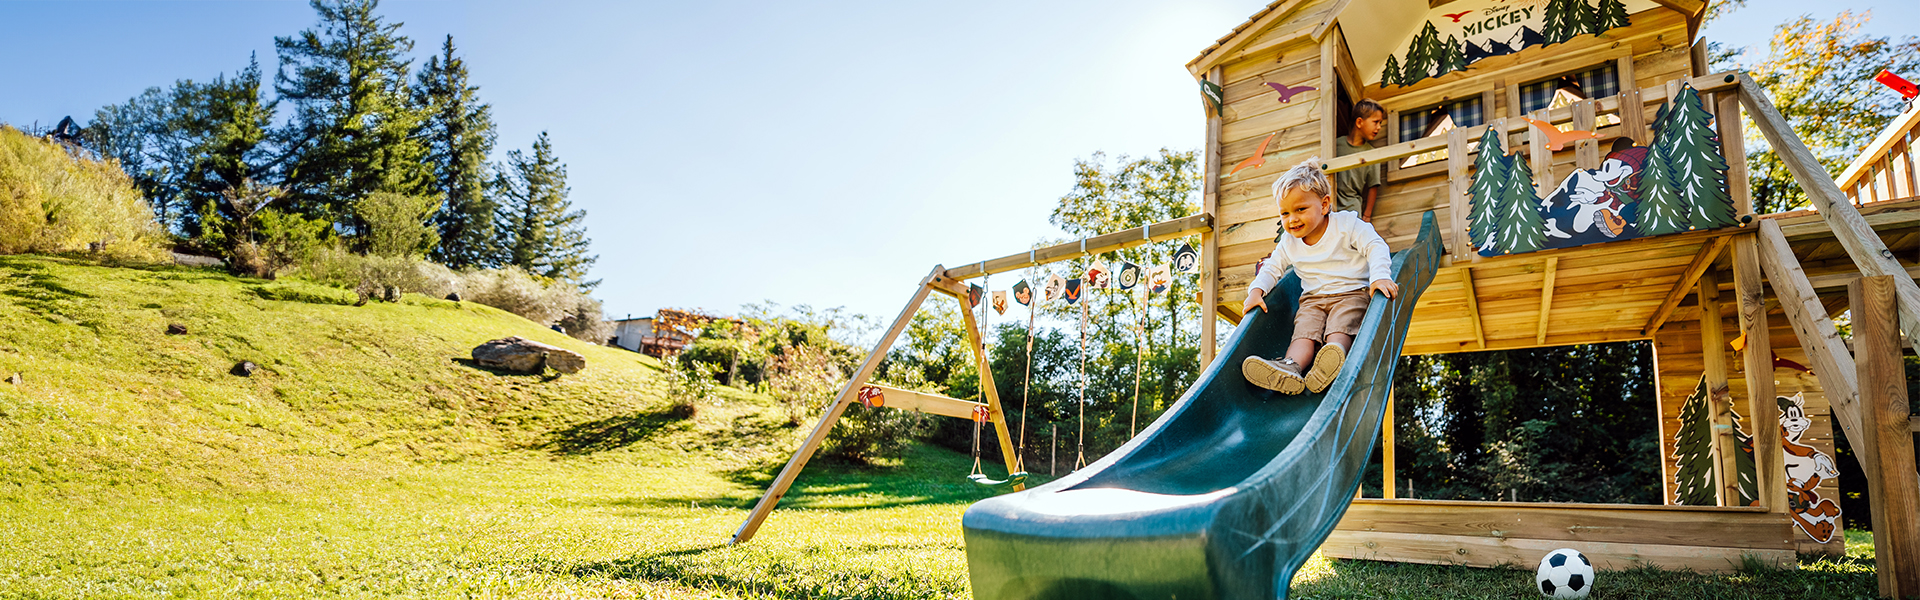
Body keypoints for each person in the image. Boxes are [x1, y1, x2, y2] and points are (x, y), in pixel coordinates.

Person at [1241, 159, 1398, 395]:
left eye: (1300, 209)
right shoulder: (1288, 242)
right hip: (1312, 300)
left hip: (1351, 294)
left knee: (1339, 327)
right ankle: (1291, 367)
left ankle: (1333, 358)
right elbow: (1272, 267)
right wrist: (1256, 291)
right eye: (1285, 213)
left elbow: (1375, 245)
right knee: (1304, 332)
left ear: (1324, 205)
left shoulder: (1346, 225)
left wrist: (1380, 276)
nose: (1292, 219)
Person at [1336, 99, 1386, 222]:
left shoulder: (1372, 154)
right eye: (1375, 122)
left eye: (1380, 123)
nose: (1379, 127)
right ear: (1359, 122)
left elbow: (1373, 186)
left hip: (1352, 210)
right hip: (1331, 206)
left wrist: (1367, 215)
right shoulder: (1336, 145)